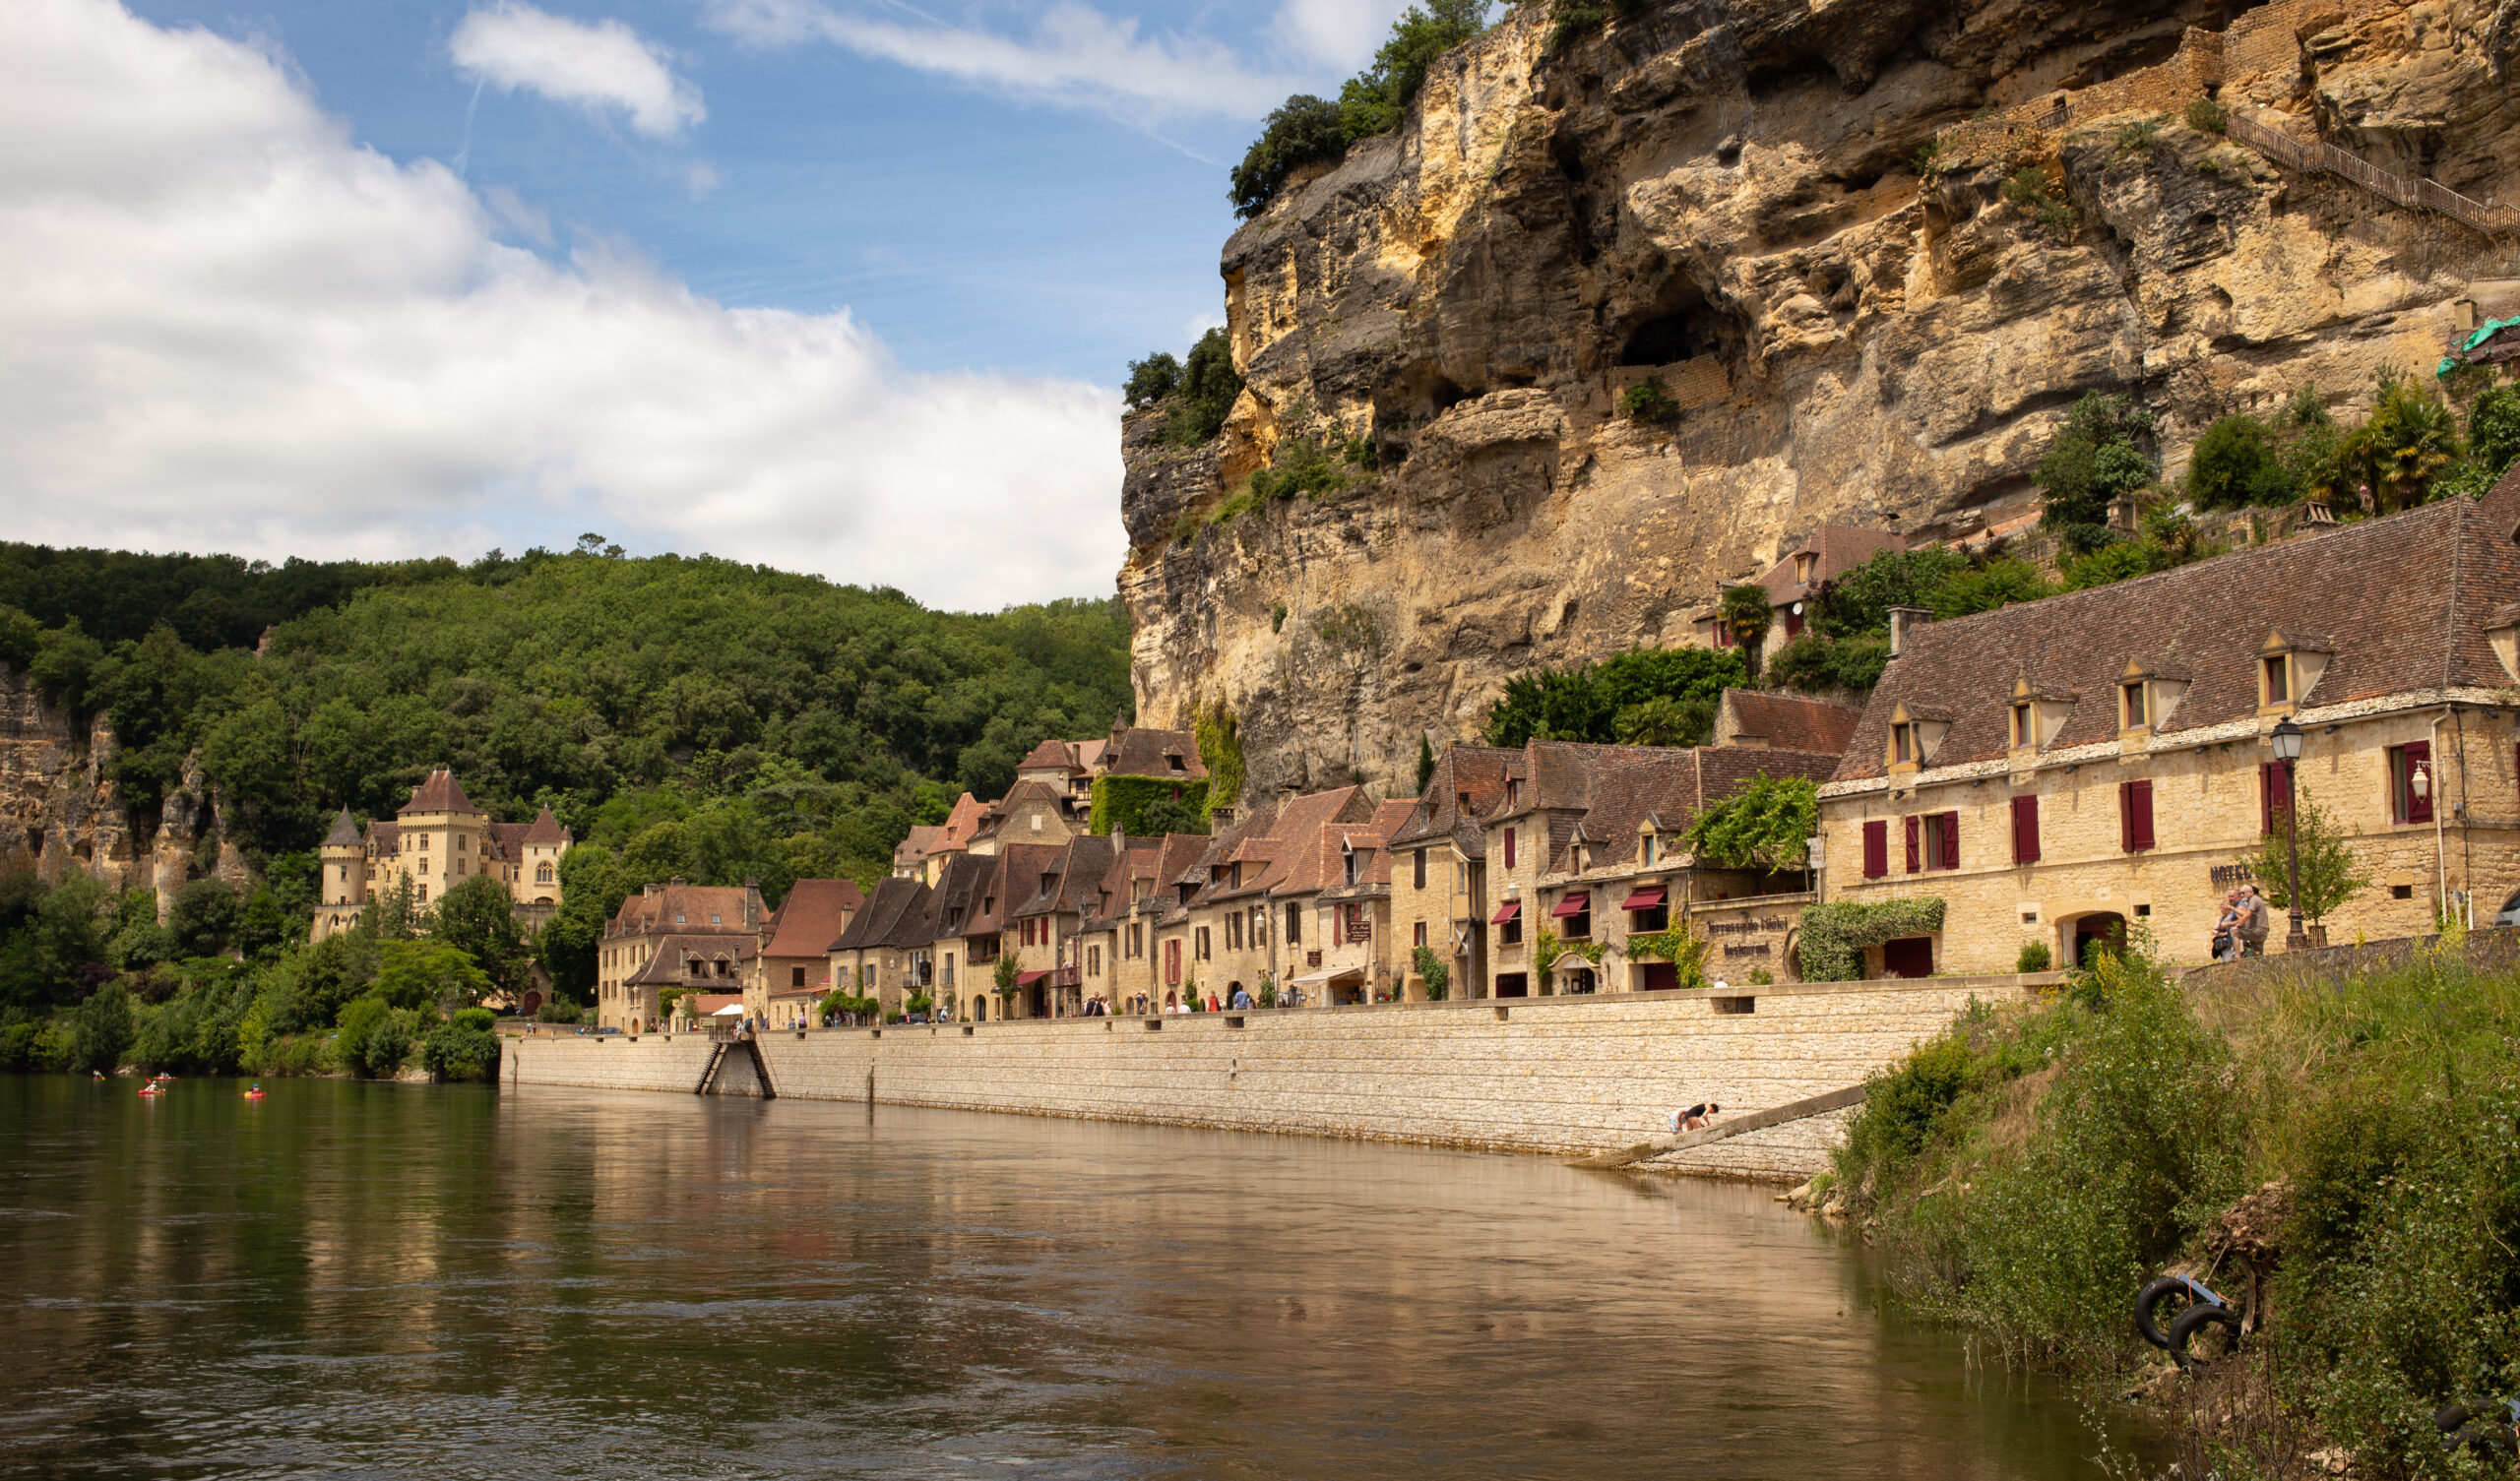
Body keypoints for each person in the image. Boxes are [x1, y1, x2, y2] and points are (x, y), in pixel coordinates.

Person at [2237, 885, 2273, 956]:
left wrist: (2238, 926)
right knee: (2257, 955)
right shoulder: (2253, 901)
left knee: (2235, 933)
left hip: (2257, 930)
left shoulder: (2254, 899)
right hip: (2259, 931)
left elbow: (2247, 915)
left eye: (2243, 893)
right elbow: (2246, 914)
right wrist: (2232, 909)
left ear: (2251, 893)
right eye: (2240, 893)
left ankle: (2237, 957)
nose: (2241, 895)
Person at [2211, 890, 2243, 961]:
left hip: (2232, 939)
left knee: (2232, 958)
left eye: (2223, 908)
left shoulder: (2234, 913)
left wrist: (2226, 929)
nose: (2221, 910)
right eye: (2221, 908)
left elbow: (2241, 920)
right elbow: (2214, 929)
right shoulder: (2222, 918)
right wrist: (2218, 933)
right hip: (2225, 942)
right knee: (2225, 960)